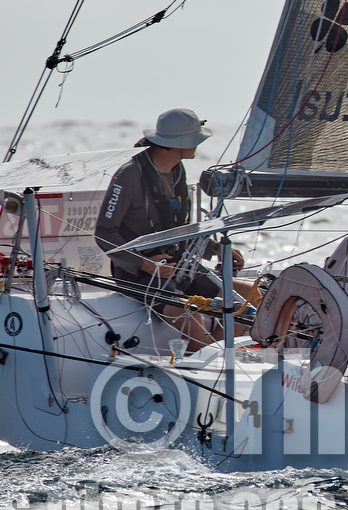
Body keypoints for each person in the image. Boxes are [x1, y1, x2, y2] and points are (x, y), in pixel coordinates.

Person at [94, 108, 244, 345]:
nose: (198, 145)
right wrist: (144, 264)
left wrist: (213, 249)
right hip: (140, 274)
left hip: (178, 264)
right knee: (188, 312)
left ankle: (213, 355)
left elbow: (179, 226)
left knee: (246, 297)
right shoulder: (129, 174)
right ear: (179, 143)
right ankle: (213, 360)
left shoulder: (176, 170)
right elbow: (104, 232)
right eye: (195, 140)